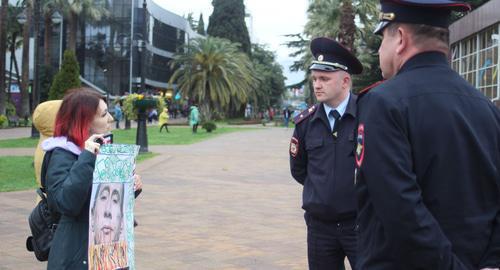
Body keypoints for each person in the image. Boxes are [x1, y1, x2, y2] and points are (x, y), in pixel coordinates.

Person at [355, 1, 500, 269]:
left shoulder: (383, 103)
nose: (378, 50)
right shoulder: (487, 108)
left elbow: (402, 213)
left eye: (382, 38)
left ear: (400, 39)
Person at [42, 88, 143, 269]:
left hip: (107, 249)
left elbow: (99, 199)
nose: (111, 118)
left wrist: (130, 188)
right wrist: (87, 157)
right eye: (104, 114)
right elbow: (66, 203)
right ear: (85, 121)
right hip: (76, 253)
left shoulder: (100, 151)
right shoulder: (62, 154)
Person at [290, 37, 363, 270]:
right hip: (320, 228)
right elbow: (299, 170)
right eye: (315, 79)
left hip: (360, 225)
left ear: (345, 81)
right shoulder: (305, 123)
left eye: (324, 78)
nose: (317, 85)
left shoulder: (368, 116)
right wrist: (322, 190)